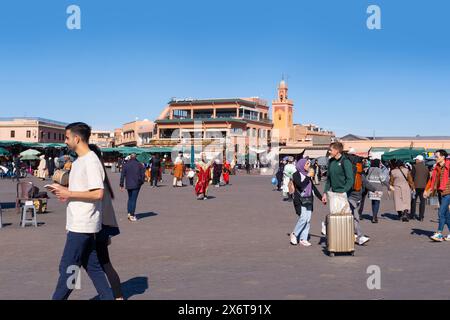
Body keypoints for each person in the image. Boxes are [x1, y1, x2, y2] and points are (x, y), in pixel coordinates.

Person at [49, 122, 113, 300]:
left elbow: (98, 193)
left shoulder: (91, 161)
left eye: (67, 138)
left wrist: (69, 192)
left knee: (68, 269)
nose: (66, 142)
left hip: (82, 225)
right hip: (80, 224)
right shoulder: (78, 162)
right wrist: (65, 194)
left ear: (77, 139)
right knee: (92, 268)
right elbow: (84, 190)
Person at [89, 145, 123, 300]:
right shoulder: (102, 176)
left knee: (72, 264)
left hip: (92, 227)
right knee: (105, 263)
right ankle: (117, 296)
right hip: (102, 227)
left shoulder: (94, 178)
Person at [322, 142, 370, 246]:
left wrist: (344, 191)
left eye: (331, 150)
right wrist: (325, 193)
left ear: (337, 151)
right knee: (336, 214)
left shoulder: (345, 162)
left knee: (352, 215)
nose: (329, 151)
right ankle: (329, 229)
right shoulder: (330, 162)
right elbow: (328, 180)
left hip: (346, 194)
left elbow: (350, 179)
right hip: (334, 195)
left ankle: (358, 236)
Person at [290, 158, 323, 247]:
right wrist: (308, 176)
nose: (309, 166)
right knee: (303, 218)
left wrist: (321, 198)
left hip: (308, 199)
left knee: (308, 220)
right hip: (300, 200)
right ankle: (294, 234)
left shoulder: (307, 175)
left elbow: (313, 188)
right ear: (302, 165)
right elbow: (300, 185)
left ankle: (303, 239)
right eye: (307, 164)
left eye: (309, 164)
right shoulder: (296, 174)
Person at [425, 150, 450, 242]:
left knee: (441, 212)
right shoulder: (437, 167)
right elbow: (432, 180)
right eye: (435, 156)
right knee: (446, 215)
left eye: (437, 156)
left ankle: (439, 233)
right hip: (440, 192)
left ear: (443, 157)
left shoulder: (449, 165)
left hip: (448, 193)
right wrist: (428, 190)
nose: (435, 158)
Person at [120, 153, 145, 222]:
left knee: (130, 198)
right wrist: (141, 182)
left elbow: (122, 175)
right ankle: (132, 215)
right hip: (136, 184)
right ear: (136, 157)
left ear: (130, 157)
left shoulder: (125, 164)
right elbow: (143, 175)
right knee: (133, 199)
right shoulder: (139, 164)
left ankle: (129, 213)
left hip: (128, 184)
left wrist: (121, 184)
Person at [366, 159, 390, 223]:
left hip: (371, 187)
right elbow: (383, 179)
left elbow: (367, 178)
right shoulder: (379, 170)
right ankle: (374, 216)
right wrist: (388, 186)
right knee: (377, 202)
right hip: (378, 188)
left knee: (373, 202)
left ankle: (374, 215)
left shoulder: (369, 169)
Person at [410, 155, 430, 221]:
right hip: (424, 187)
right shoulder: (426, 168)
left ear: (418, 160)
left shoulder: (414, 167)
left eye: (416, 159)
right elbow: (428, 178)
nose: (415, 161)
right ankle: (421, 217)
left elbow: (411, 176)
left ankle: (412, 215)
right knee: (422, 202)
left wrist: (411, 185)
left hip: (415, 186)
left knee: (413, 200)